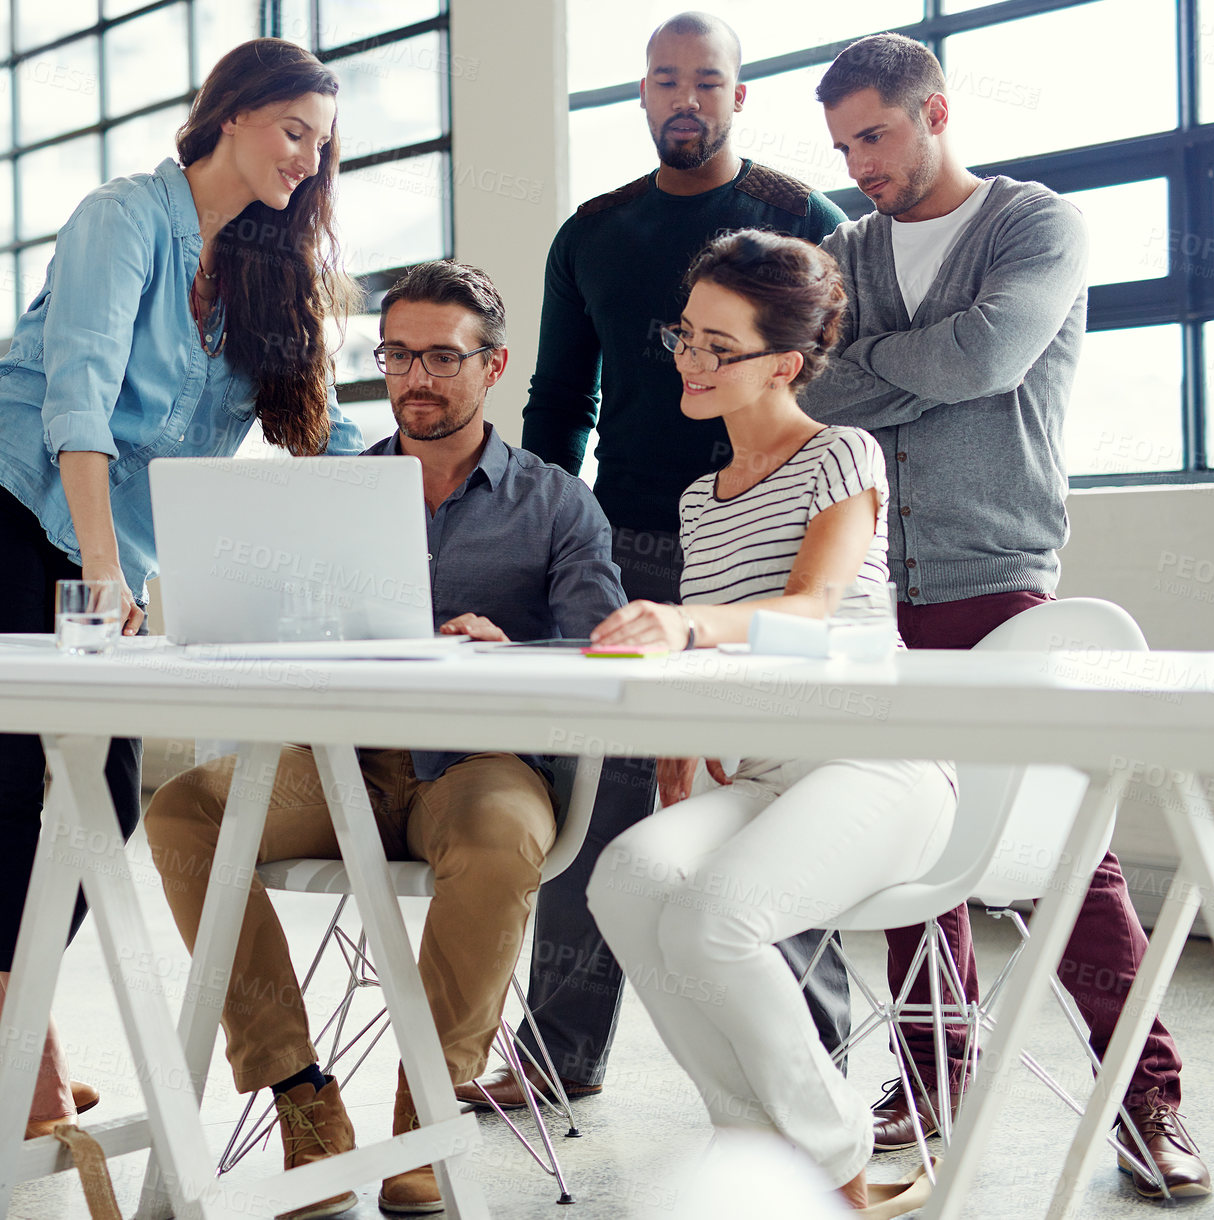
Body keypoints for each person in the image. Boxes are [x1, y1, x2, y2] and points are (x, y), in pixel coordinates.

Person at [0, 38, 365, 1138]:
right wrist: (106, 569)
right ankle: (30, 1054)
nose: (308, 159)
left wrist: (418, 488)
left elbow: (320, 428)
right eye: (293, 130)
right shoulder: (123, 217)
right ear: (232, 112)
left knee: (107, 793)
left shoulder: (268, 266)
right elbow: (80, 399)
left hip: (101, 549)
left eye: (322, 143)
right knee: (19, 765)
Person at [803, 33, 1211, 1197]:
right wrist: (901, 363)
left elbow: (986, 358)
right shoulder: (845, 246)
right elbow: (812, 385)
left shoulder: (1037, 225)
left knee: (1070, 859)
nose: (861, 165)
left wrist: (875, 364)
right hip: (879, 586)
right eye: (842, 147)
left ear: (936, 110)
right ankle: (930, 1075)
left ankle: (1150, 1097)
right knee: (912, 834)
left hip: (1000, 571)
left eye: (875, 136)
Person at [145, 260, 626, 1219]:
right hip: (346, 764)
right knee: (186, 813)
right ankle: (301, 1097)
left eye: (444, 356)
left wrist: (508, 649)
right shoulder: (325, 495)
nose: (418, 376)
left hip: (482, 765)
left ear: (493, 368)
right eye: (398, 354)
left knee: (499, 839)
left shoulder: (556, 501)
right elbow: (266, 625)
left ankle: (426, 1115)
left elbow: (600, 654)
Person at [477, 8, 853, 1113]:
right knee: (597, 800)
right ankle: (558, 1051)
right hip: (624, 543)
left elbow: (838, 378)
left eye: (706, 80)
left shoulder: (799, 216)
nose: (683, 98)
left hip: (764, 540)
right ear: (641, 94)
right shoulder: (593, 230)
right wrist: (529, 539)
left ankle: (813, 1058)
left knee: (768, 800)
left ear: (739, 95)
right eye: (662, 80)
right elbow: (558, 399)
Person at [585, 229, 955, 1218]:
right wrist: (675, 735)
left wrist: (688, 621)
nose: (690, 361)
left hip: (878, 764)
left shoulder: (844, 454)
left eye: (720, 345)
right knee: (628, 880)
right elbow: (718, 655)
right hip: (765, 770)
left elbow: (818, 605)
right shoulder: (702, 498)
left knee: (716, 919)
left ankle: (832, 1163)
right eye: (686, 336)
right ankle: (757, 1143)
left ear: (785, 363)